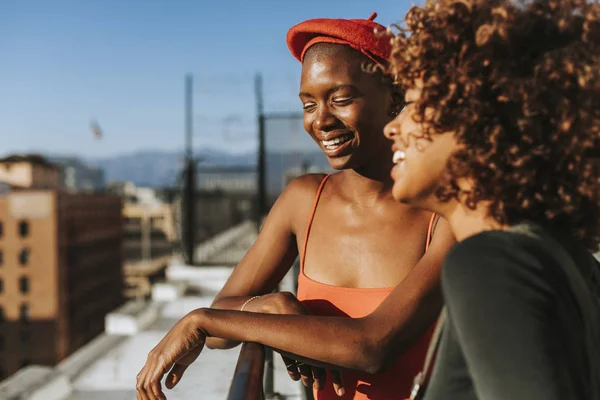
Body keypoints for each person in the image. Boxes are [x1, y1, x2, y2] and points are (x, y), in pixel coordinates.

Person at [136, 13, 455, 400]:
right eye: (308, 104)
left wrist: (200, 319)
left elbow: (373, 347)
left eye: (340, 99)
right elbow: (224, 325)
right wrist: (274, 305)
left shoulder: (443, 213)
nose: (321, 120)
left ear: (394, 98)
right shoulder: (304, 200)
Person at [382, 0, 600, 399]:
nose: (391, 128)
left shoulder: (490, 262)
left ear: (477, 113)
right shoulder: (565, 255)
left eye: (411, 102)